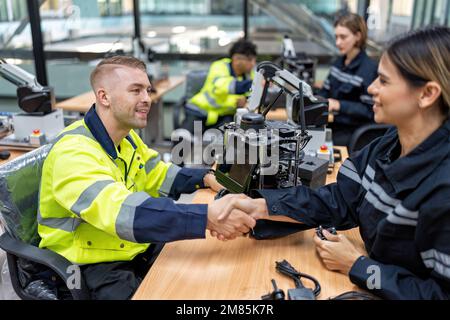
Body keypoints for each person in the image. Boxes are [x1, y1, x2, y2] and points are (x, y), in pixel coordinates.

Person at [215, 26, 450, 300]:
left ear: (427, 93)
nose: (372, 88)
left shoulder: (443, 189)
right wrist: (260, 206)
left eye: (384, 82)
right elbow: (339, 200)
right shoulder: (389, 143)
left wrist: (359, 267)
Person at [37, 56, 256, 300]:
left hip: (129, 245)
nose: (146, 99)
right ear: (104, 97)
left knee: (205, 274)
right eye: (135, 91)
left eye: (147, 90)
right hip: (88, 263)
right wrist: (206, 218)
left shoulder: (127, 137)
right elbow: (122, 213)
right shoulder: (74, 152)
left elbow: (160, 175)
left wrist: (206, 177)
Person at [318, 13, 378, 147]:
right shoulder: (338, 62)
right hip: (332, 125)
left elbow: (369, 110)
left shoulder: (369, 69)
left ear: (358, 36)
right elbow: (324, 93)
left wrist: (339, 105)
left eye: (343, 37)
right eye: (336, 37)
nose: (338, 42)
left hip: (351, 132)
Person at [182, 39, 257, 132]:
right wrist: (252, 85)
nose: (253, 64)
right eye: (250, 60)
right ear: (236, 58)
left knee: (227, 139)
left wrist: (245, 98)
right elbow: (221, 87)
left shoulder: (249, 74)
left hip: (223, 116)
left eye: (254, 60)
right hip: (199, 111)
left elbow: (250, 94)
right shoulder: (219, 66)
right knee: (184, 139)